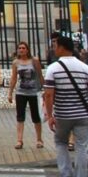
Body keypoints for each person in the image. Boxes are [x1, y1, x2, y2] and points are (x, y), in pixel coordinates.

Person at [44, 34, 88, 177]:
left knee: (61, 142)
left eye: (55, 46)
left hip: (63, 115)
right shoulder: (84, 67)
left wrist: (50, 116)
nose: (53, 49)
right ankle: (81, 174)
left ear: (62, 47)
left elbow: (49, 95)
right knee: (82, 146)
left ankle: (66, 173)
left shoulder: (53, 69)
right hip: (83, 114)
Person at [9, 40, 45, 150]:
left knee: (36, 116)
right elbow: (14, 78)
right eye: (19, 48)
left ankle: (39, 139)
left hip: (34, 92)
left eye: (23, 48)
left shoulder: (34, 61)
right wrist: (10, 92)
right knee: (20, 117)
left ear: (27, 50)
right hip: (21, 92)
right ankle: (19, 140)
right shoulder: (16, 62)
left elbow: (40, 75)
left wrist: (44, 90)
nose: (21, 50)